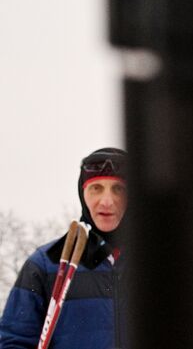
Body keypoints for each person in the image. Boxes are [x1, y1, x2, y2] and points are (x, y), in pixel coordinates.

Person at [0, 148, 128, 349]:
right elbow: (14, 341)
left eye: (118, 189)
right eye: (96, 188)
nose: (107, 201)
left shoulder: (163, 263)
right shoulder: (46, 264)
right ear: (82, 194)